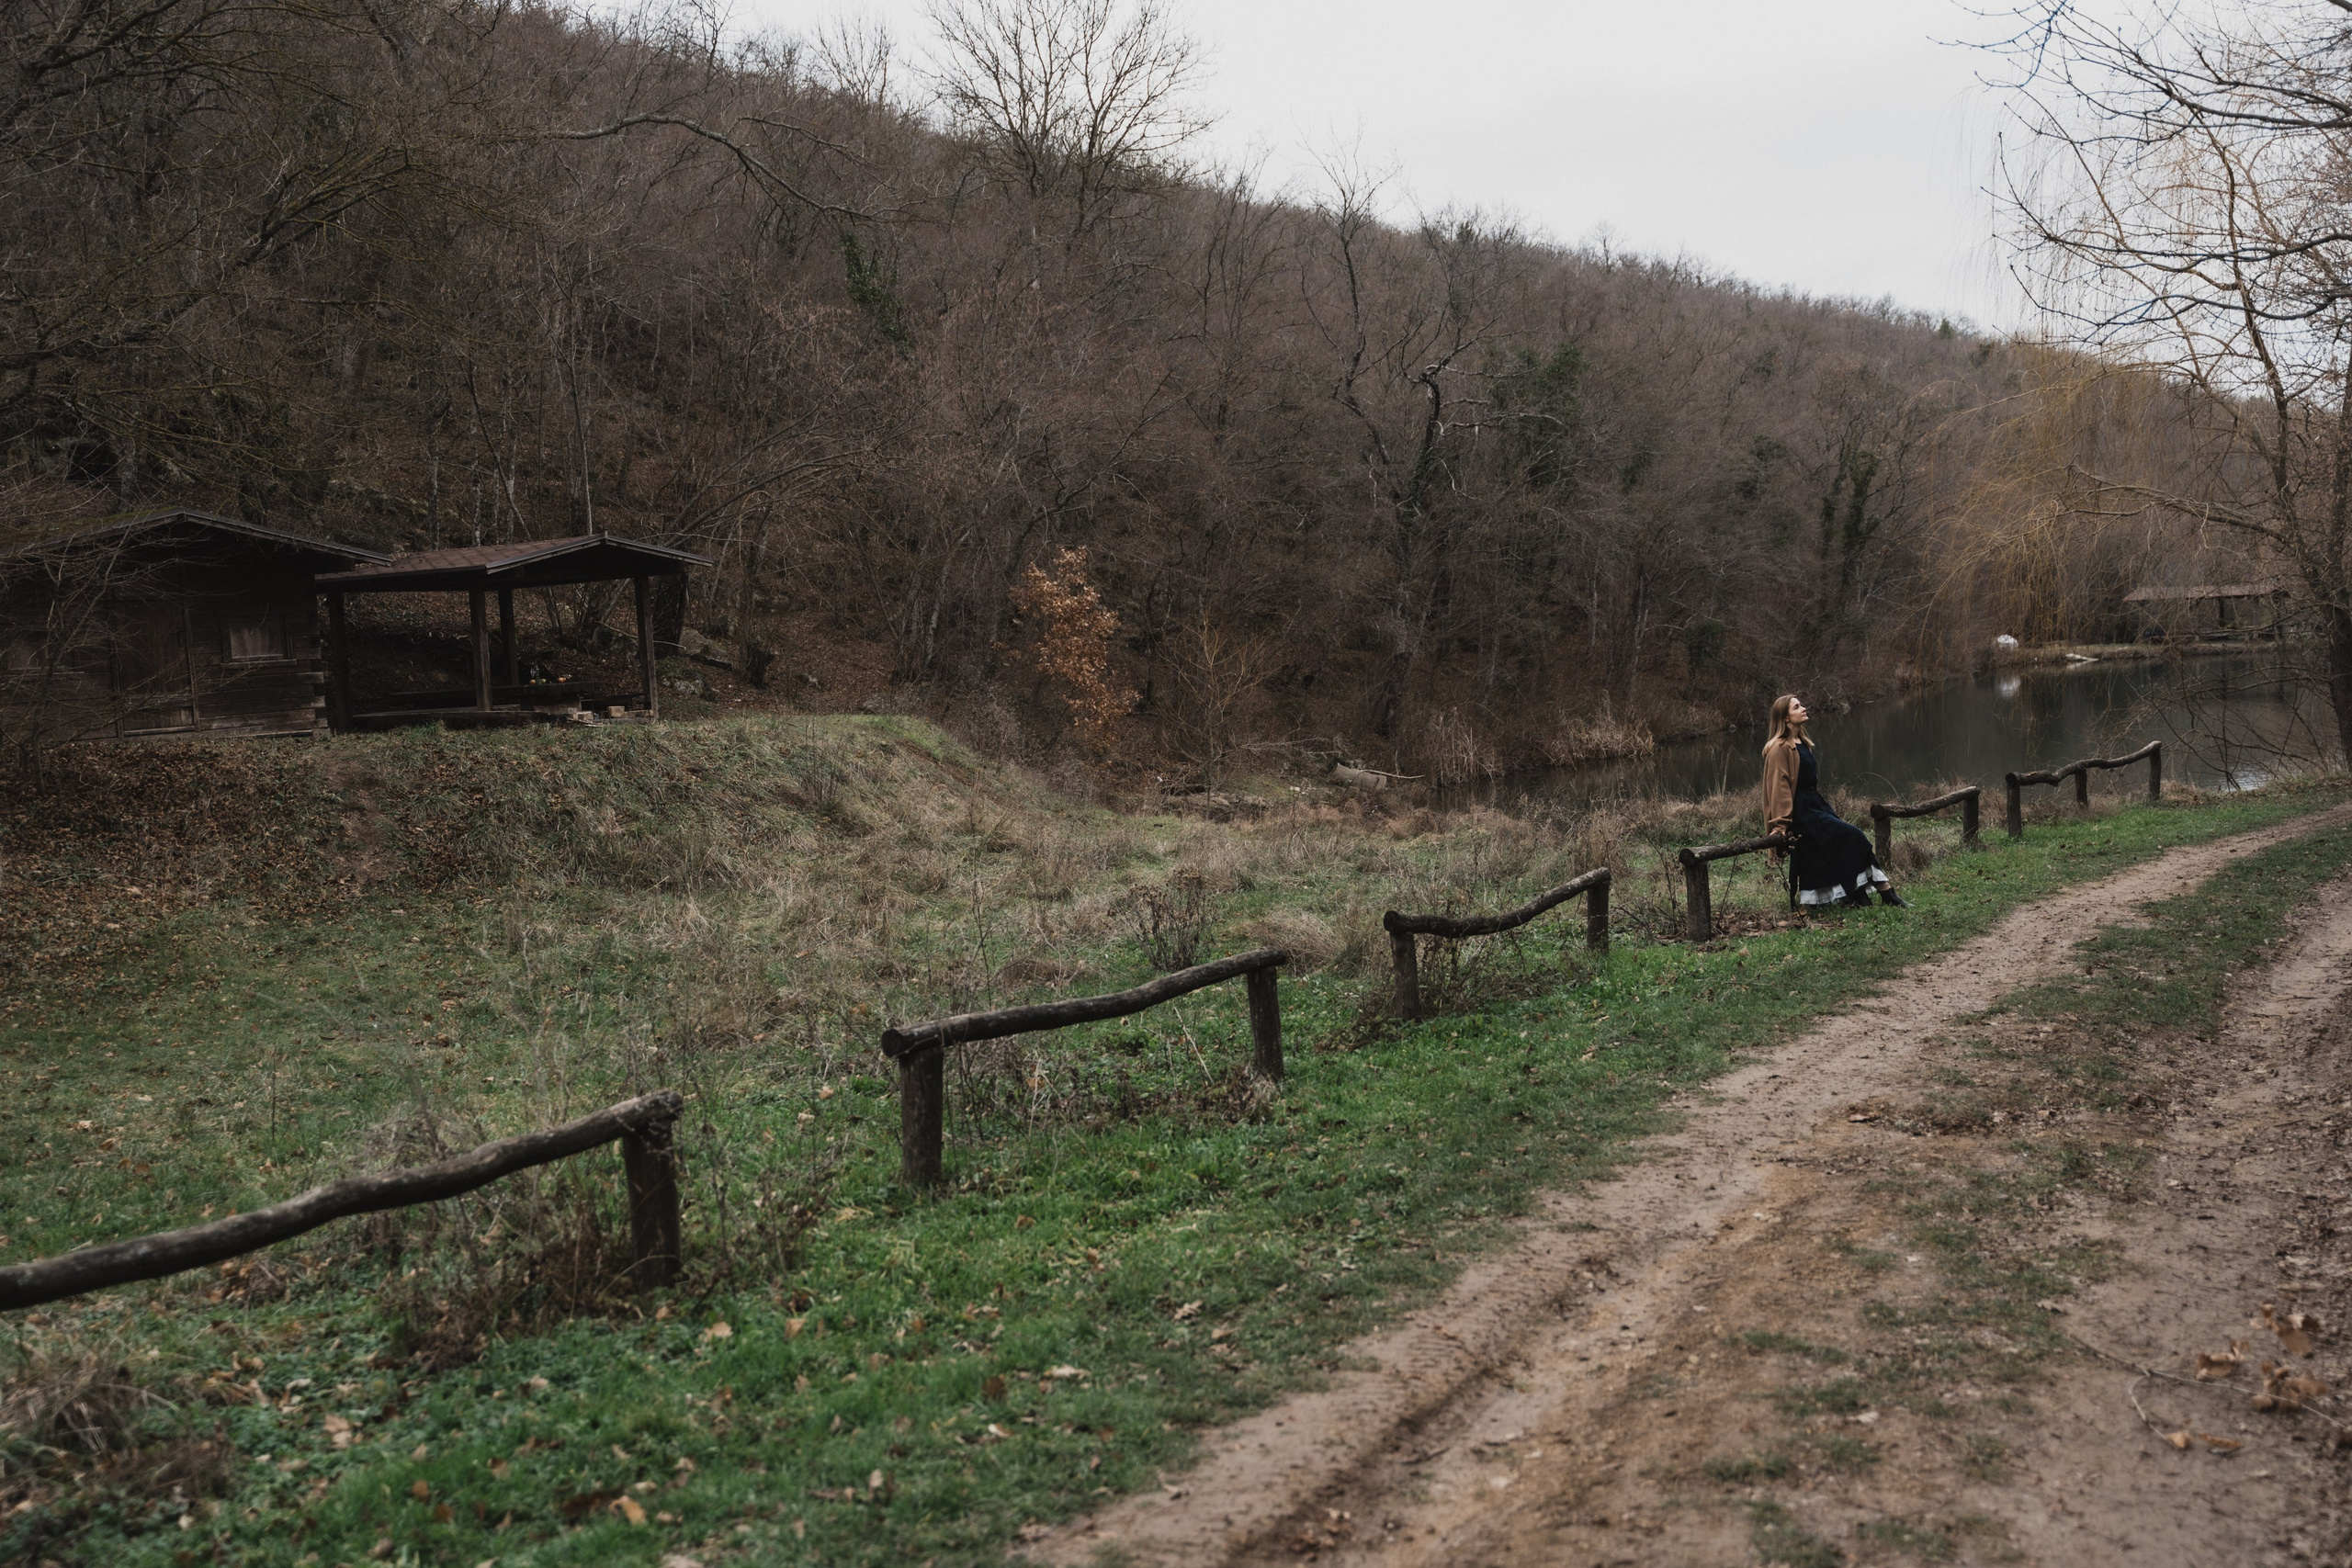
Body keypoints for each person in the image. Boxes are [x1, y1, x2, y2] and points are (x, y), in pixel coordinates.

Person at [1760, 694, 1908, 908]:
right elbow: (1779, 788)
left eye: (1801, 704)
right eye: (1797, 706)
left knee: (1839, 844)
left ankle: (1861, 895)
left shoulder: (1802, 742)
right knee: (1852, 835)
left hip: (1816, 804)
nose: (1803, 708)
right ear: (1784, 718)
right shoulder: (1779, 747)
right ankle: (1887, 893)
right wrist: (1781, 825)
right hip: (1801, 811)